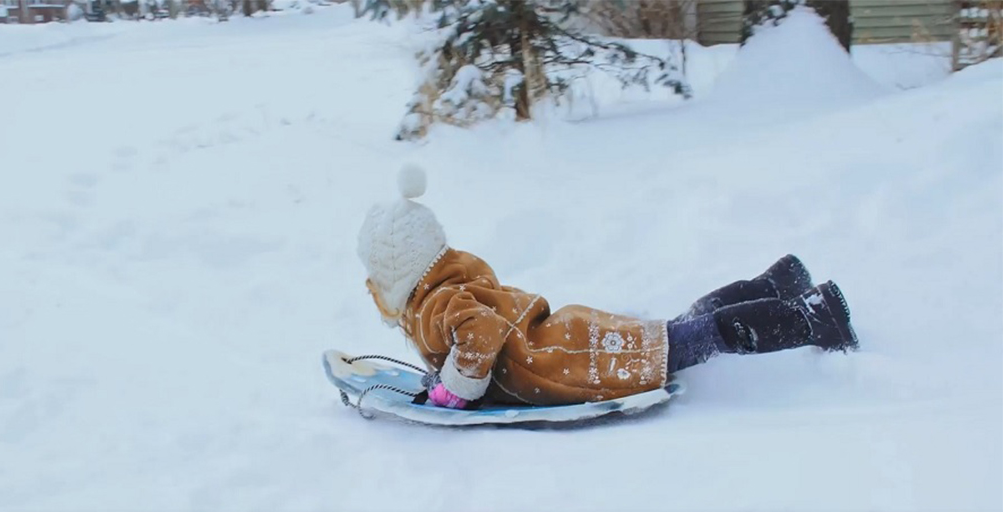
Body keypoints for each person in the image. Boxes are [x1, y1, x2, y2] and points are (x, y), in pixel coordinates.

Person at [357, 166, 858, 409]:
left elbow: (479, 335)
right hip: (568, 334)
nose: (372, 290)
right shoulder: (458, 271)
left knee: (699, 338)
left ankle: (815, 316)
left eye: (376, 279)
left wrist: (457, 392)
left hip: (566, 364)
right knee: (679, 330)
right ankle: (779, 281)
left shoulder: (433, 305)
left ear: (398, 276)